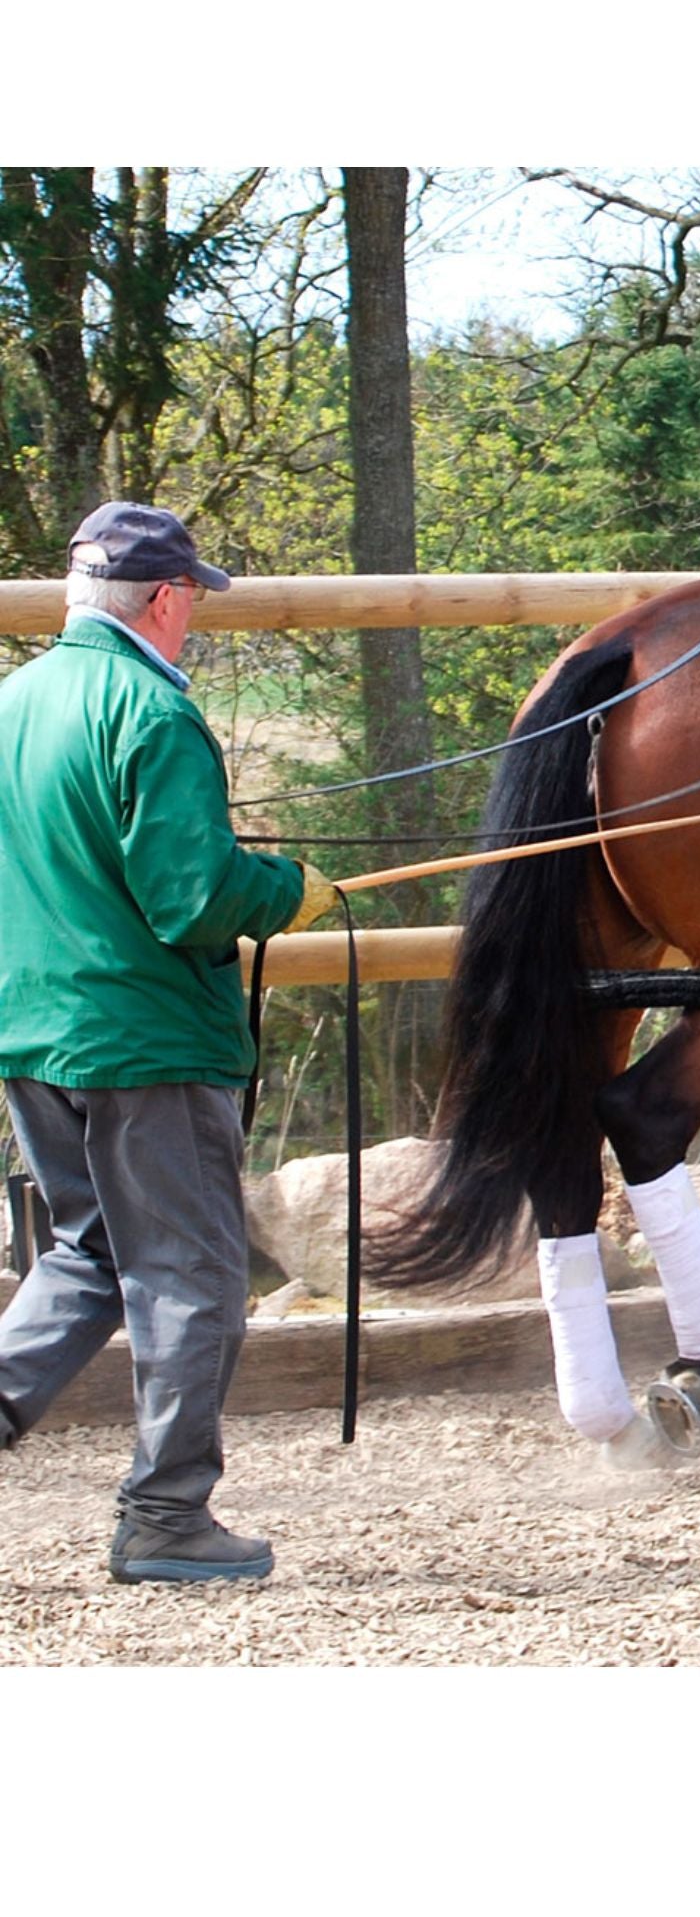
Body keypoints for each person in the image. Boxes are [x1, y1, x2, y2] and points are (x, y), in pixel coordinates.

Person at [0, 502, 338, 1584]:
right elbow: (193, 898)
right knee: (194, 1273)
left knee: (91, 1251)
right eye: (192, 595)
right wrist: (288, 889)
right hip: (143, 1041)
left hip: (32, 1030)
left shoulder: (14, 702)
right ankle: (165, 1512)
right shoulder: (152, 711)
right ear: (163, 597)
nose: (194, 615)